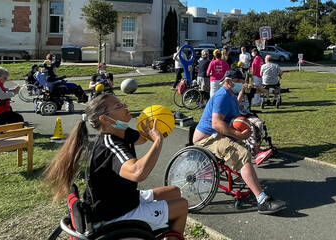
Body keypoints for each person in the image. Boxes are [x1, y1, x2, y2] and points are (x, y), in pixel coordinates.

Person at [44, 94, 189, 239]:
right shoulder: (110, 145)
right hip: (113, 216)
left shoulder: (120, 130)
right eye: (119, 106)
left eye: (123, 103)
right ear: (105, 119)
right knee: (181, 205)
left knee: (174, 191)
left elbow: (140, 138)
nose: (125, 106)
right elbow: (138, 172)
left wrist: (153, 127)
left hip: (122, 200)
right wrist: (158, 141)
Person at [192, 69, 287, 214]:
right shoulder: (222, 96)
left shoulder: (231, 95)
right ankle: (261, 200)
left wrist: (243, 131)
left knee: (244, 149)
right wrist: (238, 134)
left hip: (215, 135)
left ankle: (249, 179)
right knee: (242, 155)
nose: (242, 85)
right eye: (239, 83)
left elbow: (232, 119)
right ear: (229, 82)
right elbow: (216, 124)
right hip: (206, 138)